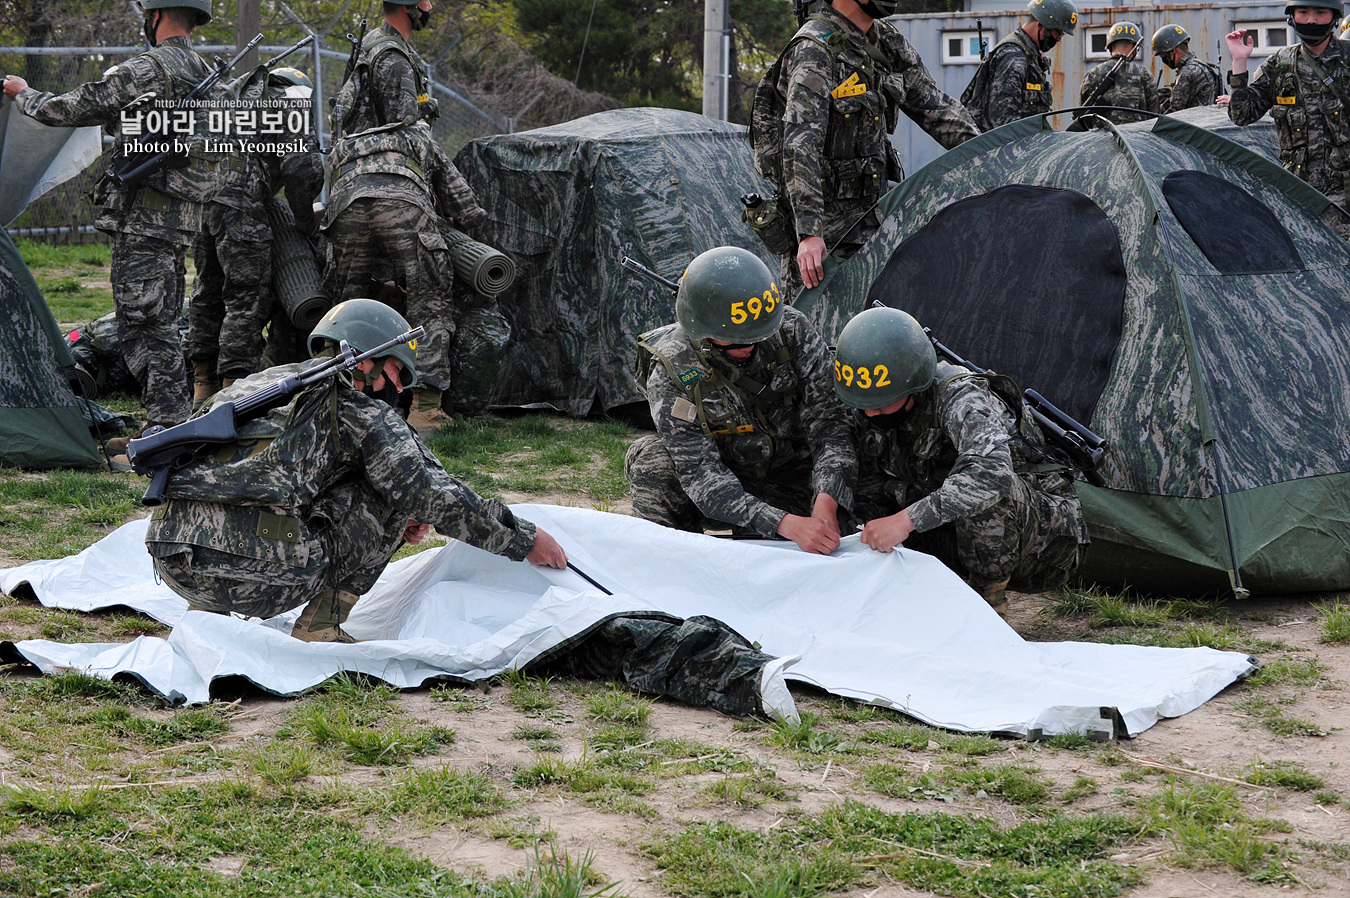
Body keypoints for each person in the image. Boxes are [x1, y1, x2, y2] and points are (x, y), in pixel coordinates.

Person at [144, 298, 568, 643]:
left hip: (174, 562)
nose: (398, 389)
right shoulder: (356, 410)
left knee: (364, 478)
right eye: (395, 371)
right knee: (393, 493)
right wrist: (525, 539)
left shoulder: (257, 384)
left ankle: (208, 616)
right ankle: (320, 629)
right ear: (364, 361)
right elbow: (429, 493)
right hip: (257, 580)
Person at [3, 0, 220, 449]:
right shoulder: (208, 74)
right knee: (159, 313)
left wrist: (24, 94)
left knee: (143, 319)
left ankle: (167, 427)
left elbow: (76, 106)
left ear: (156, 16)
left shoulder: (149, 68)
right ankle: (170, 419)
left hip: (145, 217)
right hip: (182, 216)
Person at [834, 307, 1089, 617]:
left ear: (913, 383)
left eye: (882, 403)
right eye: (865, 405)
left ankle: (986, 612)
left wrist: (903, 522)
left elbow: (993, 474)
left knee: (985, 487)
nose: (871, 414)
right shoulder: (865, 403)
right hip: (951, 532)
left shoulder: (959, 396)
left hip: (1043, 545)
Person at [625, 246, 856, 555]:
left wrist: (827, 502)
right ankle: (670, 557)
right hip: (721, 483)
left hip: (791, 477)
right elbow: (700, 473)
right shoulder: (673, 369)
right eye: (733, 340)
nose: (747, 346)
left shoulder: (792, 331)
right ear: (702, 330)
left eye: (756, 336)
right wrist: (786, 524)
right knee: (652, 462)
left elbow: (831, 425)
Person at [322, 0, 483, 436]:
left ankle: (336, 401)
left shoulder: (369, 54)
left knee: (345, 303)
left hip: (347, 194)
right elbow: (413, 137)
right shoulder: (391, 57)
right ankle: (426, 408)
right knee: (430, 297)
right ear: (411, 5)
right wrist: (468, 222)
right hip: (400, 194)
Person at [764, 0, 978, 299]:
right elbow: (801, 145)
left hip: (874, 223)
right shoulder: (814, 49)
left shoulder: (886, 42)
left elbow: (936, 107)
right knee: (816, 331)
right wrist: (810, 234)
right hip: (827, 239)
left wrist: (996, 150)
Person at [188, 65, 321, 409]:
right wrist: (305, 222)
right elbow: (300, 170)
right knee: (245, 298)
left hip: (200, 204)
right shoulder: (290, 103)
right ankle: (233, 395)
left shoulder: (233, 99)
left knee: (207, 293)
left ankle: (202, 386)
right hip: (241, 207)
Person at [1220, 0, 1350, 239]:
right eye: (1303, 12)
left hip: (1344, 198)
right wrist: (1239, 62)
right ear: (1292, 16)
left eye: (1320, 12)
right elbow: (1241, 115)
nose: (1311, 19)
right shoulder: (1280, 64)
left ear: (1334, 17)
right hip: (1297, 196)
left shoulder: (1347, 60)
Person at [962, 0, 1078, 132]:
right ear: (1041, 26)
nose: (1059, 40)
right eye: (1058, 33)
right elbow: (1003, 122)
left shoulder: (1030, 56)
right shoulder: (1014, 56)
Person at [1078, 21, 1160, 124]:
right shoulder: (1145, 75)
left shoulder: (1092, 74)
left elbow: (1083, 111)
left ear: (1110, 46)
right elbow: (1154, 116)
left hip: (1101, 138)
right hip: (1135, 138)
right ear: (1134, 46)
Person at [1152, 24, 1222, 113]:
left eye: (1163, 55)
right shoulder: (1200, 66)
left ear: (1173, 50)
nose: (1164, 60)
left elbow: (1174, 112)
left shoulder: (1187, 72)